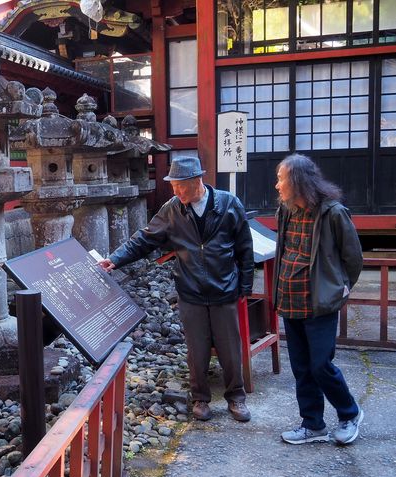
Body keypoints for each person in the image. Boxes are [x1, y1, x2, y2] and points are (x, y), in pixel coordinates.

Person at [99, 156, 254, 422]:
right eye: (174, 186)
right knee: (196, 348)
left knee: (230, 348)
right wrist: (115, 258)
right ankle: (200, 399)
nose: (176, 191)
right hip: (190, 290)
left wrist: (246, 283)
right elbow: (144, 239)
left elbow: (244, 247)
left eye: (181, 186)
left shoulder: (229, 204)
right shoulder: (172, 209)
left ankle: (236, 398)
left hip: (225, 288)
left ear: (197, 181)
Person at [274, 153, 364, 445]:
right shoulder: (286, 211)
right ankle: (313, 424)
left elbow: (353, 258)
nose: (277, 185)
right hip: (290, 300)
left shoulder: (333, 212)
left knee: (320, 365)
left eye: (281, 179)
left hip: (319, 302)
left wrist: (340, 288)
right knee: (301, 367)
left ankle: (349, 413)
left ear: (298, 181)